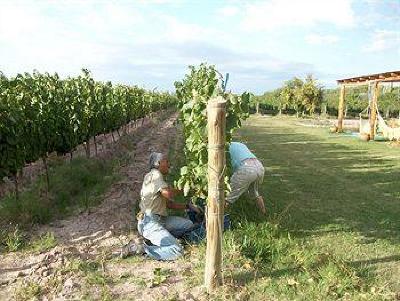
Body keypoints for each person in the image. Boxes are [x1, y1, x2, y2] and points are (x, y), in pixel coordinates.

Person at [121, 152, 199, 261]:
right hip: (150, 222)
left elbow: (169, 204)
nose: (169, 164)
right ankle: (139, 248)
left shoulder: (155, 179)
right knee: (178, 250)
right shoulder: (155, 175)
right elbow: (168, 193)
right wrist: (185, 189)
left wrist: (187, 206)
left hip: (159, 220)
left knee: (189, 225)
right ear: (158, 163)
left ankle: (157, 241)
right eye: (166, 161)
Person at [226, 142, 266, 214]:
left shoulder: (223, 147)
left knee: (227, 196)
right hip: (259, 166)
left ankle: (219, 218)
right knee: (254, 193)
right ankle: (263, 213)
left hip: (245, 169)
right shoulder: (239, 144)